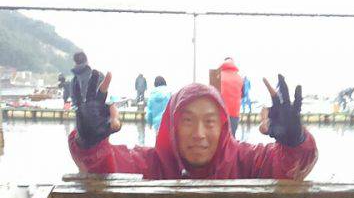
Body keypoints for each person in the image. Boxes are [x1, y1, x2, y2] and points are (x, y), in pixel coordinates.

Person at [68, 70, 317, 181]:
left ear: (222, 127)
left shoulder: (247, 161)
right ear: (172, 127)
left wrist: (295, 142)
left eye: (209, 122)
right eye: (187, 121)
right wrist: (89, 143)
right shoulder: (149, 165)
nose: (199, 134)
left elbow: (290, 168)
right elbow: (102, 167)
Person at [219, 58, 243, 137]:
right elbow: (243, 95)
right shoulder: (239, 78)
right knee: (231, 138)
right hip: (234, 113)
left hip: (220, 112)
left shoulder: (217, 76)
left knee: (219, 139)